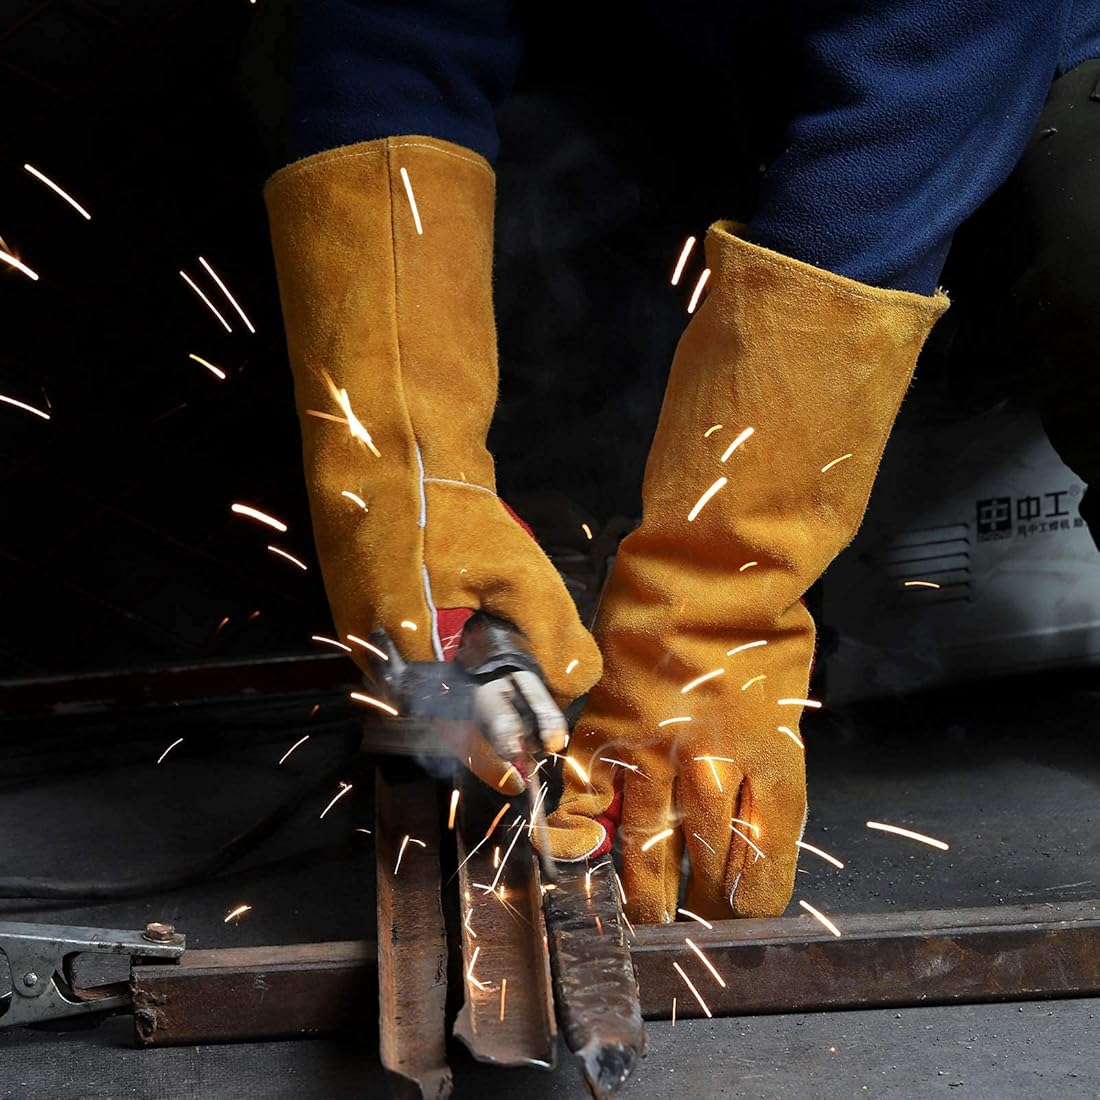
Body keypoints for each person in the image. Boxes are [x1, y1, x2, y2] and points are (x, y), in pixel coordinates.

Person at [264, 1, 1100, 925]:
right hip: (633, 94)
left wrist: (711, 597)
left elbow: (923, 82)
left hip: (1002, 81)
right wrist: (414, 477)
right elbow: (389, 39)